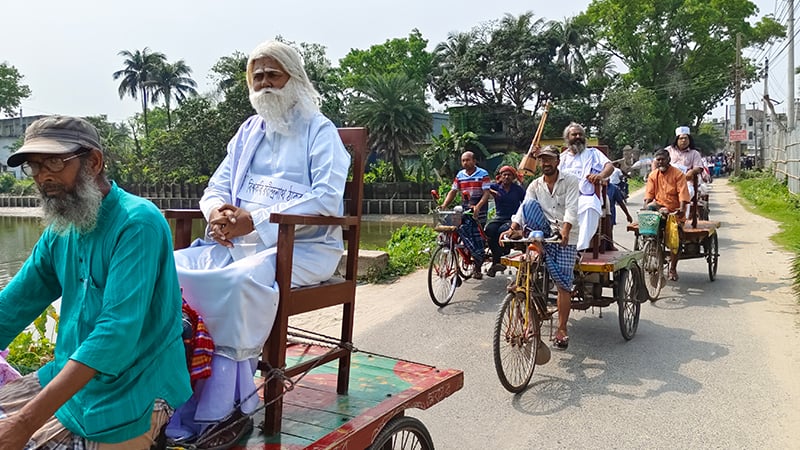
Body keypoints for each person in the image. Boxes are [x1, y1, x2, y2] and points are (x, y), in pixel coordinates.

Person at [165, 40, 350, 447]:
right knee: (169, 270)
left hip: (303, 248)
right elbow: (216, 187)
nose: (264, 83)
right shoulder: (248, 131)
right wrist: (217, 213)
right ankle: (175, 394)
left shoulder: (320, 130)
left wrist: (257, 220)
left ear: (293, 78)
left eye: (272, 75)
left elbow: (326, 198)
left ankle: (225, 407)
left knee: (238, 282)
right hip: (239, 244)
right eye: (257, 76)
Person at [0, 115, 191, 448]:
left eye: (55, 162)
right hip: (69, 376)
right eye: (35, 166)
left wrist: (24, 423)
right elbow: (13, 306)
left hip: (136, 383)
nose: (44, 176)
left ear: (94, 162)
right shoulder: (60, 230)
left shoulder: (137, 223)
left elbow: (115, 333)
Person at [500, 146, 579, 350]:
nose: (545, 163)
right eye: (542, 160)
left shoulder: (570, 181)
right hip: (543, 233)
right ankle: (528, 306)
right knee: (526, 271)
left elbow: (572, 208)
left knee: (563, 285)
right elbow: (523, 209)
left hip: (565, 237)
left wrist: (566, 230)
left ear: (557, 161)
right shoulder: (535, 185)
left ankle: (562, 329)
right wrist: (512, 228)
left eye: (549, 159)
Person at [557, 122, 614, 250]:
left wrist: (600, 175)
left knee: (589, 206)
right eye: (574, 134)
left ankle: (578, 248)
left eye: (580, 134)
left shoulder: (593, 153)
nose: (578, 137)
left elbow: (609, 166)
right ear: (567, 138)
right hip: (564, 197)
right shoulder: (562, 158)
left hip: (585, 195)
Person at [441, 151, 491, 279]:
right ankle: (458, 253)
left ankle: (477, 265)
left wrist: (478, 206)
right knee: (454, 228)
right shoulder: (460, 175)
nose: (465, 163)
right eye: (463, 160)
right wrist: (444, 205)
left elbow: (486, 193)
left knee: (477, 235)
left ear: (474, 161)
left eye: (468, 160)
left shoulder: (483, 174)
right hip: (465, 206)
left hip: (479, 208)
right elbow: (453, 191)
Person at [643, 148, 691, 282]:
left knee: (676, 239)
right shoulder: (653, 175)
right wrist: (646, 207)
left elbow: (683, 194)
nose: (660, 162)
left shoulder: (678, 174)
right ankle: (653, 247)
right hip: (659, 209)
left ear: (669, 159)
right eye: (658, 160)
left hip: (674, 212)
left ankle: (673, 269)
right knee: (650, 215)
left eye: (663, 159)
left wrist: (681, 209)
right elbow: (649, 195)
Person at [484, 165, 525, 277]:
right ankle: (497, 259)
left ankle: (500, 257)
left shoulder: (517, 189)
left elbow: (526, 201)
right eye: (504, 175)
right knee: (489, 230)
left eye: (509, 175)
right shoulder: (496, 186)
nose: (506, 177)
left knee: (502, 230)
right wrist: (492, 192)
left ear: (513, 177)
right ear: (500, 176)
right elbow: (483, 187)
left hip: (512, 219)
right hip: (499, 217)